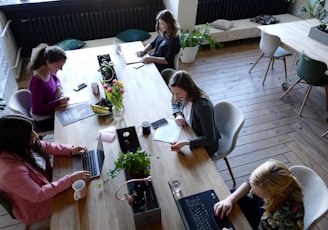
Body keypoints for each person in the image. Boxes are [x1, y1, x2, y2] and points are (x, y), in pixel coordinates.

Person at [0, 115, 90, 225]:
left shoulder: (19, 146)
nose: (36, 135)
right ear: (16, 140)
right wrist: (70, 179)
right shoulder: (10, 172)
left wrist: (70, 150)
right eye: (30, 134)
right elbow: (39, 195)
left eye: (33, 130)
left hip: (47, 183)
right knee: (87, 204)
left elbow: (44, 145)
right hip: (37, 205)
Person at [214, 159, 304, 230]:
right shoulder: (271, 169)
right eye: (252, 187)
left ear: (272, 195)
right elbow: (250, 182)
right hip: (257, 210)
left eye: (258, 192)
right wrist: (230, 199)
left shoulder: (280, 219)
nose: (251, 191)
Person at [168, 70, 220, 156]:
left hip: (205, 145)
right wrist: (178, 114)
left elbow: (210, 139)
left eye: (178, 93)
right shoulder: (183, 95)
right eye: (173, 93)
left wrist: (187, 142)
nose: (175, 96)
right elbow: (174, 101)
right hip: (190, 132)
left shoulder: (203, 107)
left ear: (188, 89)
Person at [28, 44, 70, 132]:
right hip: (43, 120)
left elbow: (55, 77)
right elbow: (37, 109)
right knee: (70, 125)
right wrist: (58, 102)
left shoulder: (48, 69)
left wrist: (58, 86)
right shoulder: (37, 82)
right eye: (58, 66)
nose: (61, 69)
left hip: (52, 108)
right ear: (48, 62)